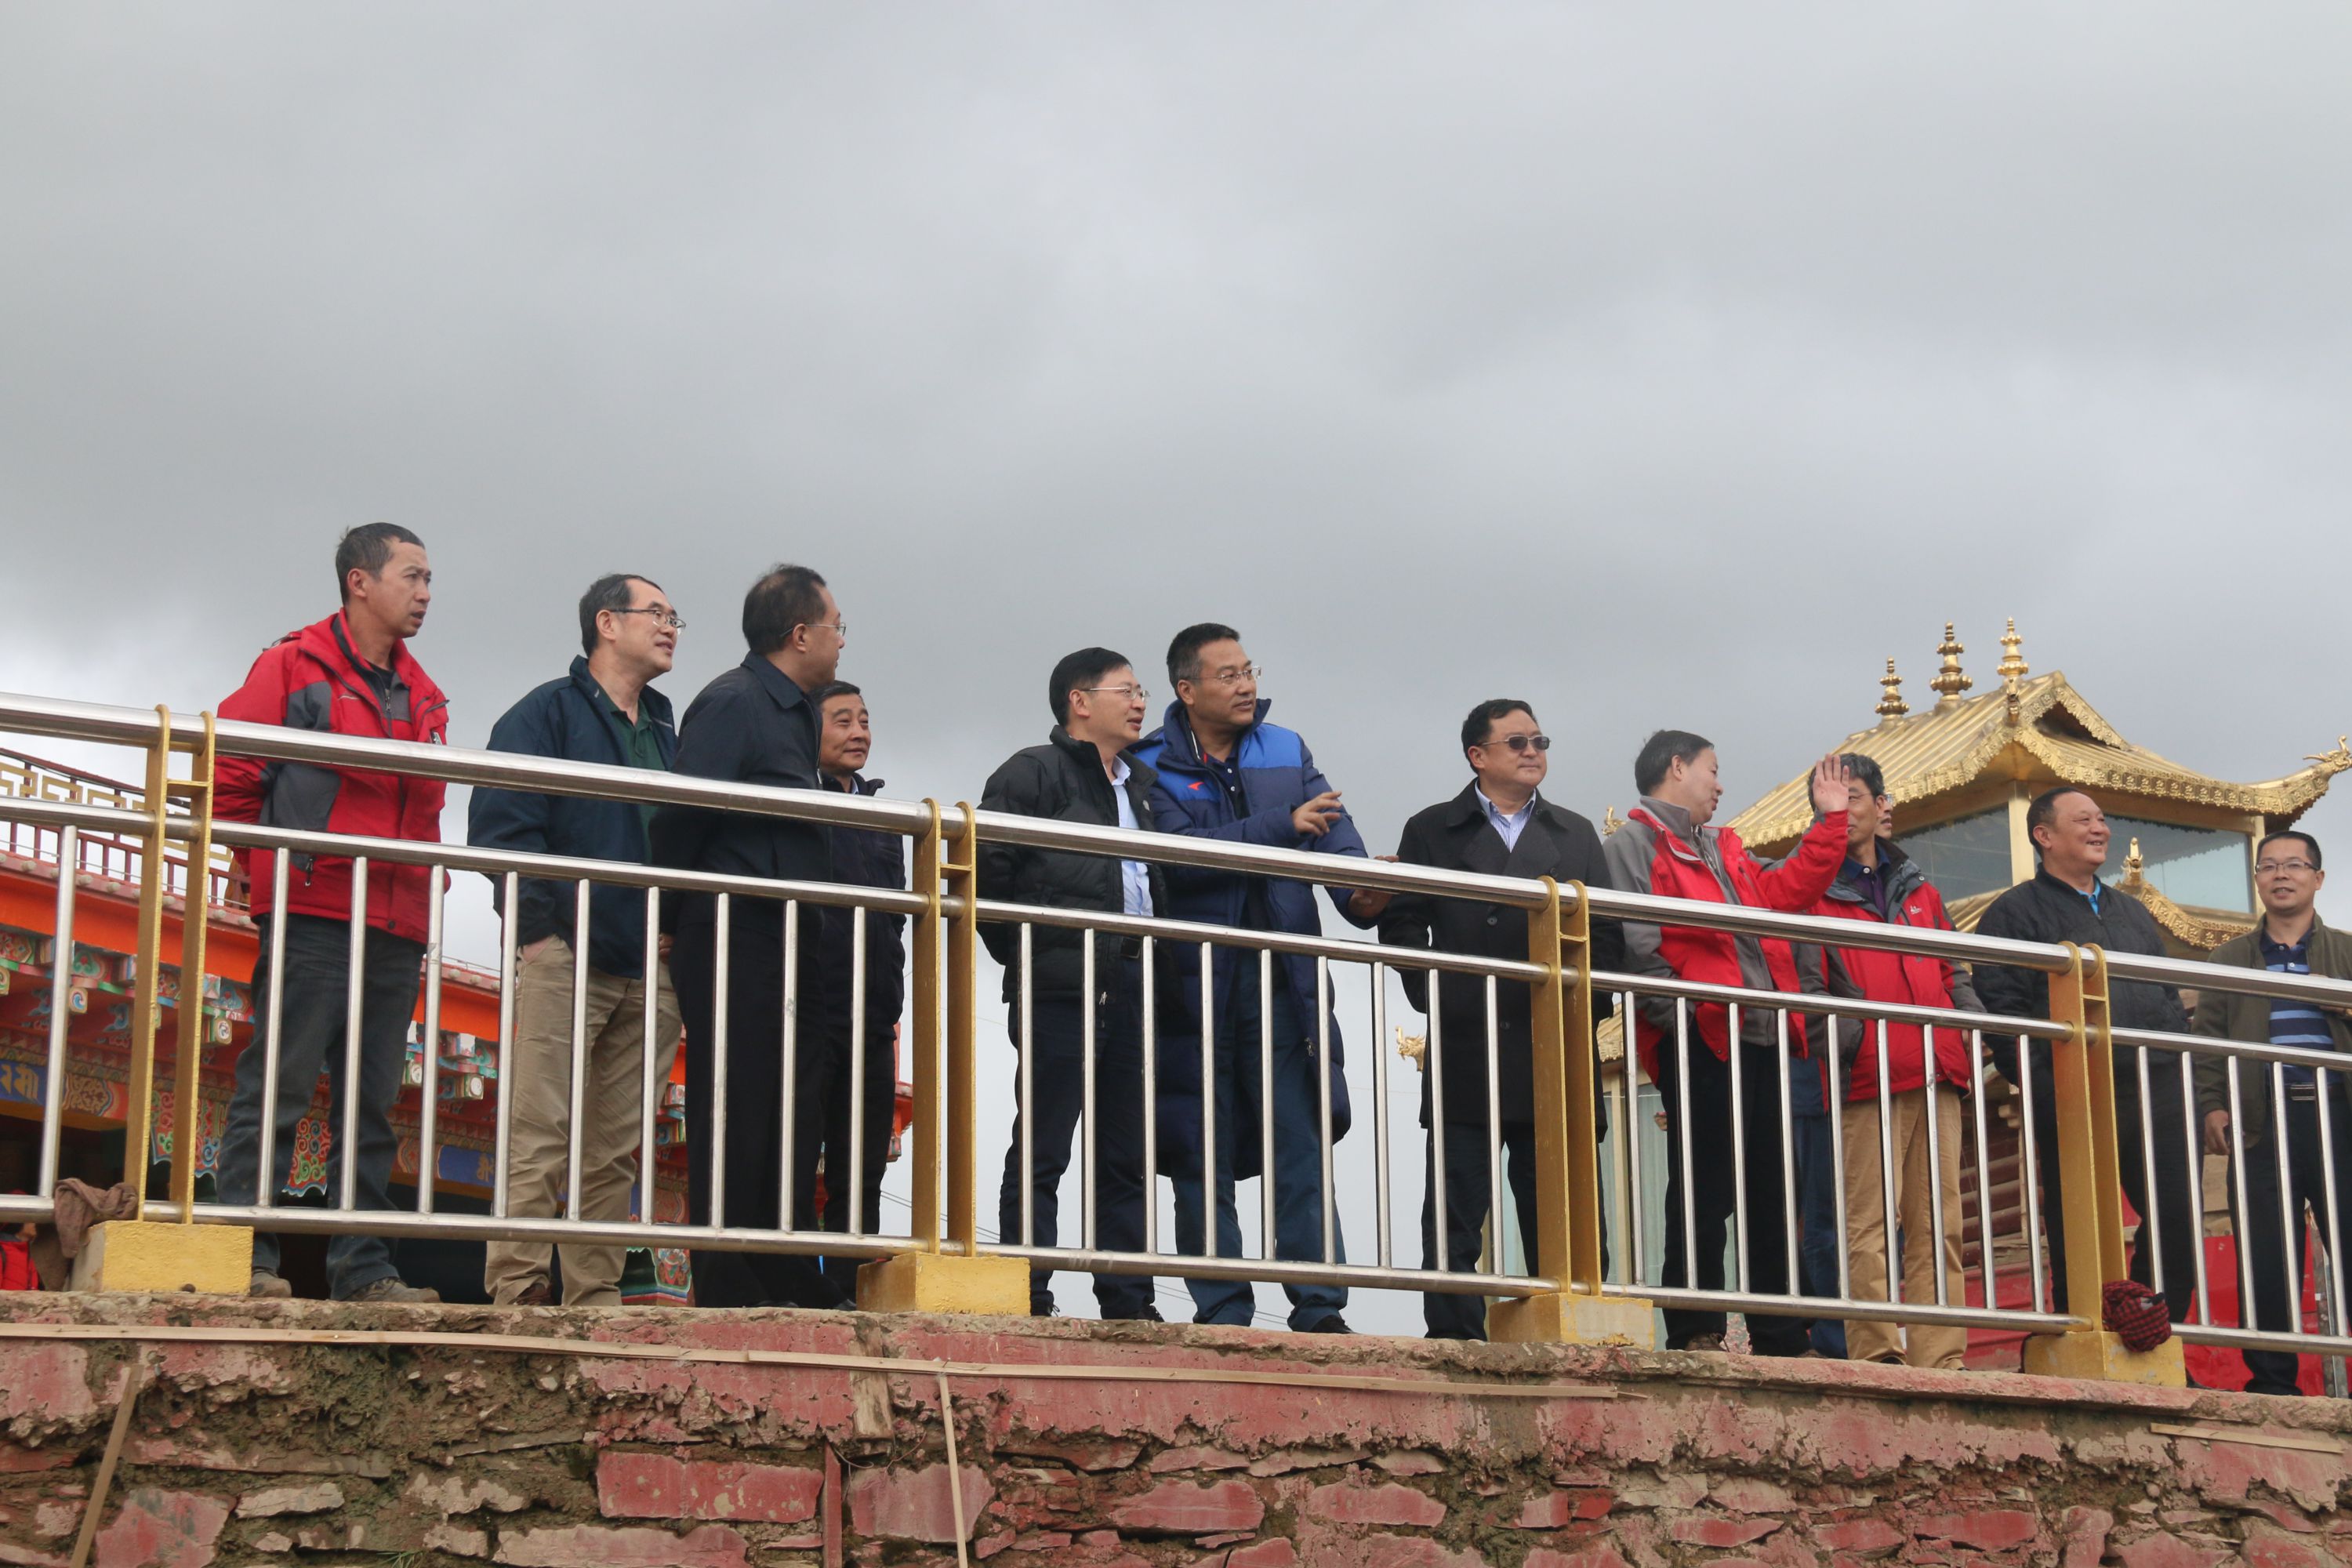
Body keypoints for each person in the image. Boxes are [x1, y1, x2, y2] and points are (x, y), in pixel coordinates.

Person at [214, 524, 448, 1303]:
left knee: (372, 1103)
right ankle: (244, 1257)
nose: (425, 593)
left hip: (395, 921)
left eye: (428, 579)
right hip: (313, 906)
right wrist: (270, 871)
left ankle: (365, 1269)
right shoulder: (293, 665)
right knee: (277, 1085)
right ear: (359, 581)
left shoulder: (424, 693)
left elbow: (423, 813)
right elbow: (232, 776)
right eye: (412, 576)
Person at [1133, 623, 1382, 1334]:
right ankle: (1222, 1308)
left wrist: (1364, 891)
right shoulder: (1151, 763)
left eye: (1250, 671)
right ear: (1187, 689)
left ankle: (1320, 1307)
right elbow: (1177, 857)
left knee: (1300, 1140)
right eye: (1229, 675)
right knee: (1200, 1147)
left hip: (1283, 981)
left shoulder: (1286, 748)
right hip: (1192, 985)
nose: (1246, 686)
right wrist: (1283, 825)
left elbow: (1334, 833)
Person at [468, 574, 686, 1307]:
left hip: (651, 966)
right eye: (656, 613)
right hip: (566, 951)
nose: (670, 627)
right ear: (607, 623)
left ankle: (594, 1294)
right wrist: (537, 934)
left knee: (617, 1146)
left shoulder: (667, 731)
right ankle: (519, 1287)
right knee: (540, 1126)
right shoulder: (545, 713)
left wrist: (674, 923)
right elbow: (501, 825)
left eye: (674, 617)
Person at [1380, 699, 1625, 1340]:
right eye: (1516, 742)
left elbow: (1607, 935)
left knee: (1563, 1205)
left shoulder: (1575, 834)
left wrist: (1579, 1009)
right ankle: (1453, 1335)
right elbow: (1402, 923)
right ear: (1477, 756)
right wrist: (1437, 992)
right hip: (1469, 1037)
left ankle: (1570, 1333)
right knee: (1456, 1204)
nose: (1532, 751)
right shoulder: (1432, 830)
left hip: (1555, 1043)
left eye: (1539, 740)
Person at [1602, 731, 1852, 1356]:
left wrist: (1830, 822)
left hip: (1763, 1034)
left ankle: (1779, 1332)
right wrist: (1684, 1015)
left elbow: (1790, 890)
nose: (1719, 785)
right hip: (1702, 1035)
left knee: (1773, 1186)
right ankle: (1695, 1327)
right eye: (1712, 770)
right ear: (1677, 767)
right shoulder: (1632, 844)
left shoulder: (1727, 847)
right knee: (1703, 1185)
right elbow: (1636, 942)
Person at [650, 564, 844, 1309]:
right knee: (737, 1098)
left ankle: (782, 1263)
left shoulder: (798, 713)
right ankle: (727, 1273)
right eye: (835, 626)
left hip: (791, 932)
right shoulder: (734, 701)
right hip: (733, 928)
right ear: (800, 634)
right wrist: (671, 917)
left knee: (794, 1101)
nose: (841, 640)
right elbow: (683, 815)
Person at [978, 649, 1165, 1319]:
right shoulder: (1033, 772)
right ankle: (1027, 1289)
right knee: (1045, 1143)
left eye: (1141, 692)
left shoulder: (1142, 787)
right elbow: (988, 873)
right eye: (1126, 691)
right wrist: (1034, 954)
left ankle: (1128, 1299)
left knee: (1126, 1153)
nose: (1139, 703)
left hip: (1135, 982)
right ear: (1080, 702)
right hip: (1062, 984)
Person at [1975, 787, 2201, 1323]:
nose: (2100, 829)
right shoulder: (2014, 913)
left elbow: (2167, 994)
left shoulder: (2132, 911)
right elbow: (2001, 1008)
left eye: (2101, 819)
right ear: (2044, 836)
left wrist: (2178, 1058)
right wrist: (2043, 1082)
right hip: (2075, 1084)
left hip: (2156, 1081)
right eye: (2084, 821)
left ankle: (2150, 1325)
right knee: (2079, 1219)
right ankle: (2082, 1329)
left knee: (2177, 1211)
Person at [1808, 753, 1984, 1368]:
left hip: (1936, 1071)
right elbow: (1805, 989)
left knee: (1941, 1224)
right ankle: (1877, 1350)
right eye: (1827, 800)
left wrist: (1966, 1028)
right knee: (1869, 1224)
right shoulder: (1812, 892)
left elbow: (1953, 970)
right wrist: (1853, 1041)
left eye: (1852, 796)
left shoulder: (1921, 890)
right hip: (1865, 1078)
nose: (1840, 809)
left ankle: (1942, 1355)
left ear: (1882, 805)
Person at [2195, 830, 2352, 1396]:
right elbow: (2208, 1041)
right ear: (2257, 880)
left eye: (2294, 865)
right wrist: (2212, 1105)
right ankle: (2272, 1381)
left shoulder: (2347, 952)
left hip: (2339, 1116)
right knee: (2265, 1253)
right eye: (2268, 866)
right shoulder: (2229, 959)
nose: (2281, 875)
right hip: (2261, 1121)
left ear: (2318, 878)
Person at [806, 681, 908, 1301]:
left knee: (863, 1165)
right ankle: (796, 1281)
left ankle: (847, 1287)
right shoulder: (798, 802)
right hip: (811, 1008)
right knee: (797, 1155)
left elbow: (896, 919)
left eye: (864, 720)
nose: (858, 732)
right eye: (842, 720)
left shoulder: (883, 816)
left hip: (874, 1013)